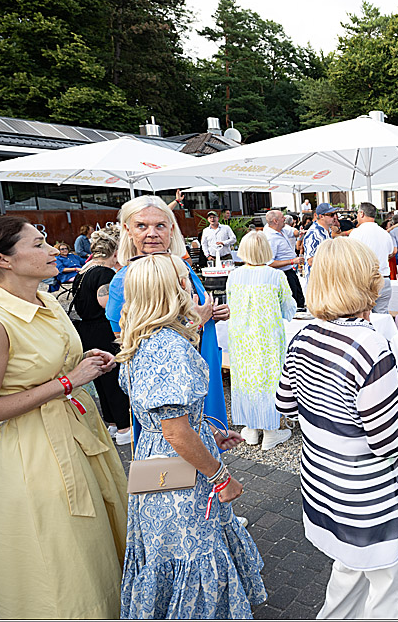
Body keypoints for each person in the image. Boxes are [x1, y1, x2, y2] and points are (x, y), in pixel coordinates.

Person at [276, 237, 398, 618]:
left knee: (347, 576)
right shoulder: (371, 347)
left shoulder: (303, 335)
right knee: (388, 593)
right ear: (369, 283)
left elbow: (284, 404)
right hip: (371, 501)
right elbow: (390, 442)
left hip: (323, 485)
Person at [0, 216, 127, 619]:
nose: (53, 251)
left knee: (97, 550)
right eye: (39, 244)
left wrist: (85, 362)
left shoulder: (45, 300)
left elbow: (52, 364)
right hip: (35, 458)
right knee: (64, 566)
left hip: (79, 434)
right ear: (1, 260)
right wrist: (68, 381)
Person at [116, 253, 266, 618]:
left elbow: (164, 420)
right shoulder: (169, 346)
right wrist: (220, 476)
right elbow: (176, 431)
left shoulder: (143, 336)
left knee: (162, 547)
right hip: (177, 467)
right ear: (176, 288)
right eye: (186, 279)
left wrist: (207, 433)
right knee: (190, 548)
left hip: (152, 456)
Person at [106, 195, 231, 441]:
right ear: (128, 230)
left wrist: (214, 315)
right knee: (181, 460)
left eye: (160, 225)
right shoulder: (126, 279)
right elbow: (126, 340)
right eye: (142, 226)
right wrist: (197, 321)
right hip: (168, 393)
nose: (152, 233)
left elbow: (195, 310)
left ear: (171, 229)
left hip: (203, 366)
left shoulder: (181, 267)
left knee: (208, 444)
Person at [226, 231, 297, 449]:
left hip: (240, 337)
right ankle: (270, 431)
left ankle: (251, 428)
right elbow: (288, 307)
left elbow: (230, 302)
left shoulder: (233, 276)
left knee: (244, 379)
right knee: (269, 380)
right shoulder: (275, 276)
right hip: (267, 337)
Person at [72, 226, 132, 444]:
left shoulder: (84, 269)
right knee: (113, 380)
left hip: (86, 329)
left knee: (100, 379)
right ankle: (125, 427)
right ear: (116, 251)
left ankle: (113, 423)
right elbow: (107, 305)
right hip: (103, 330)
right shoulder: (104, 273)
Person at [350, 202, 397, 312]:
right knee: (382, 317)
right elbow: (391, 252)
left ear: (361, 214)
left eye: (357, 213)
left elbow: (351, 257)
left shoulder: (356, 233)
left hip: (366, 280)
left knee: (363, 317)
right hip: (384, 279)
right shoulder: (385, 233)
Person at [262, 209, 306, 310]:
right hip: (282, 275)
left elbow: (292, 232)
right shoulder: (270, 238)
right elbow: (269, 263)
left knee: (299, 300)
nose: (285, 218)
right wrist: (292, 261)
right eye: (282, 217)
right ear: (275, 221)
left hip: (290, 271)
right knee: (292, 303)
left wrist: (299, 232)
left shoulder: (280, 228)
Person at [301, 202, 336, 286]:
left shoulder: (326, 230)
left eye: (334, 214)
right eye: (331, 214)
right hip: (317, 281)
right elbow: (310, 261)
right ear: (321, 216)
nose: (334, 217)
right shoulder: (314, 233)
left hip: (325, 278)